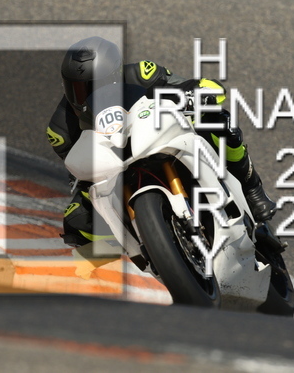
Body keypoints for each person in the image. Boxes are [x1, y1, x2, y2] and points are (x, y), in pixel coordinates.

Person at [46, 36, 277, 247]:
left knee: (218, 120)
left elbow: (184, 86)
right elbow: (78, 177)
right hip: (113, 170)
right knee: (76, 220)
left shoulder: (142, 74)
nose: (85, 96)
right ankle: (144, 245)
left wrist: (198, 93)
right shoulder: (60, 130)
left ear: (115, 76)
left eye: (95, 86)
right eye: (77, 88)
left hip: (157, 136)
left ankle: (252, 188)